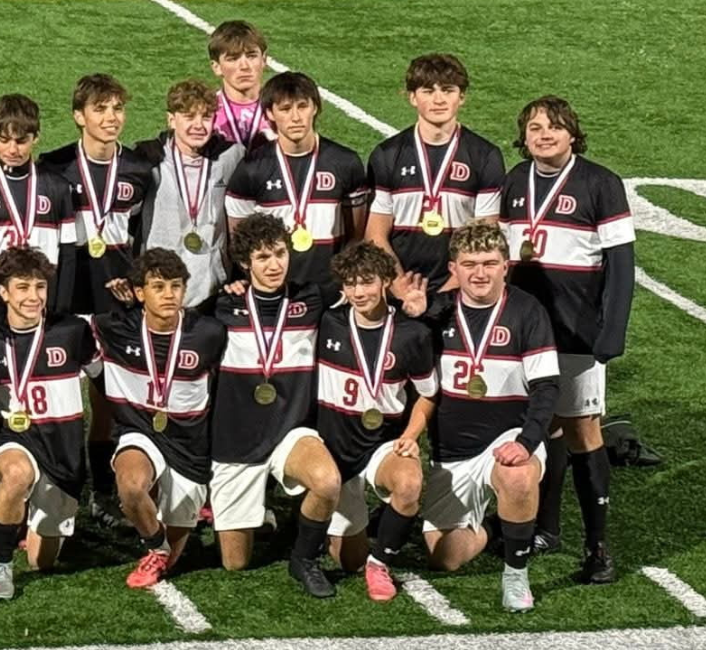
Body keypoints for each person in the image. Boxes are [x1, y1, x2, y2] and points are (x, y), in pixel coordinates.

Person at [500, 96, 633, 582]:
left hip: (577, 331)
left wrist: (611, 330)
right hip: (525, 331)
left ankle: (598, 549)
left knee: (581, 430)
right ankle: (544, 528)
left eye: (555, 127)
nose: (544, 134)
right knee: (544, 424)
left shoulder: (600, 182)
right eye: (535, 127)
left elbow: (621, 264)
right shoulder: (516, 179)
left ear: (572, 134)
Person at [417, 223, 557, 613]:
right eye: (470, 264)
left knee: (517, 473)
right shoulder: (435, 311)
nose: (480, 273)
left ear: (506, 265)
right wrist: (411, 316)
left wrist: (526, 442)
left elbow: (547, 388)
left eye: (490, 263)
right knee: (445, 557)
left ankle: (516, 574)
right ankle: (503, 525)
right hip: (453, 451)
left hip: (507, 436)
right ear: (453, 269)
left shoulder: (527, 310)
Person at [207, 214, 341, 598]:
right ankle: (263, 514)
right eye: (262, 257)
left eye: (280, 253)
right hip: (237, 442)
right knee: (235, 563)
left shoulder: (311, 297)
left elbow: (365, 290)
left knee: (327, 481)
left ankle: (304, 558)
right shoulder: (221, 305)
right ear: (245, 263)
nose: (274, 265)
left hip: (290, 431)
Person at [0, 247, 98, 599]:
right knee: (15, 475)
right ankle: (1, 565)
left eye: (40, 287)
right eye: (22, 287)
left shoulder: (72, 331)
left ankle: (26, 519)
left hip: (63, 452)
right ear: (3, 291)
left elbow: (103, 379)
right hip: (16, 438)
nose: (33, 296)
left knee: (42, 561)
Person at [101, 249, 227, 590]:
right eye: (158, 286)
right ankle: (154, 544)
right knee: (131, 485)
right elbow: (54, 325)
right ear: (140, 292)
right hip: (139, 432)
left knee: (174, 560)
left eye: (175, 286)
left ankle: (163, 541)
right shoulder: (114, 328)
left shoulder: (210, 332)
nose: (169, 294)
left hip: (190, 444)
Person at [317, 243, 435, 602]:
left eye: (366, 282)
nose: (358, 292)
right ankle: (347, 532)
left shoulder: (412, 334)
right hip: (335, 450)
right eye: (350, 284)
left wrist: (412, 436)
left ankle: (380, 562)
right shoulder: (328, 321)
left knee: (410, 482)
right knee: (346, 559)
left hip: (380, 443)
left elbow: (427, 394)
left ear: (386, 280)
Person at [364, 53, 507, 290]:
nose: (438, 99)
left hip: (459, 289)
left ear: (462, 97)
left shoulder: (485, 156)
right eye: (428, 91)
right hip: (400, 288)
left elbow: (483, 240)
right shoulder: (387, 154)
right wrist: (400, 286)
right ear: (412, 97)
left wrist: (443, 295)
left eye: (448, 90)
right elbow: (376, 234)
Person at [224, 72, 370, 292]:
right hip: (275, 292)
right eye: (285, 109)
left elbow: (356, 236)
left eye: (302, 106)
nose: (295, 117)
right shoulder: (251, 169)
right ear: (269, 114)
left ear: (316, 108)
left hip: (331, 292)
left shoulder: (345, 162)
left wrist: (344, 281)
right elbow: (240, 242)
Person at [37, 73, 155, 319]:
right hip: (67, 291)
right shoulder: (54, 165)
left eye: (118, 108)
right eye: (100, 109)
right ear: (79, 116)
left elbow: (141, 234)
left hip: (120, 289)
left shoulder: (139, 169)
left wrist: (136, 282)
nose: (111, 118)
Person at [0, 93, 79, 326]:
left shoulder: (58, 188)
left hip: (44, 305)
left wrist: (60, 311)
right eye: (4, 139)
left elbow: (68, 255)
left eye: (21, 140)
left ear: (36, 137)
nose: (12, 149)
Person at [133, 79, 244, 309]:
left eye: (205, 117)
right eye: (189, 116)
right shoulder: (148, 158)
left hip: (213, 292)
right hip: (159, 288)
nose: (198, 125)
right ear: (171, 119)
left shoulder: (232, 156)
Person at [207, 21, 273, 146]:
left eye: (251, 56)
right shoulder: (207, 111)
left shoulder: (281, 107)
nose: (244, 66)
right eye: (233, 58)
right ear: (217, 67)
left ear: (264, 60)